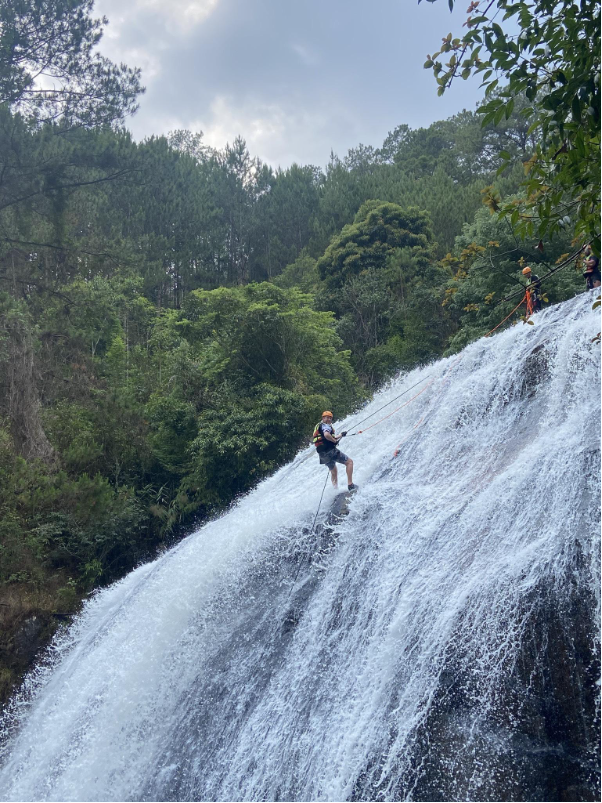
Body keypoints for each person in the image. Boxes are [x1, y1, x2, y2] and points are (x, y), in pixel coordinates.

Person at [312, 411, 356, 491]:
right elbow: (326, 435)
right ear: (323, 418)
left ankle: (335, 490)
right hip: (330, 452)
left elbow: (328, 437)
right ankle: (350, 485)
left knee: (334, 471)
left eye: (330, 418)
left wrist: (341, 435)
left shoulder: (319, 426)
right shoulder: (326, 426)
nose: (328, 419)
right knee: (349, 462)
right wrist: (335, 441)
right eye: (326, 417)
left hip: (322, 455)